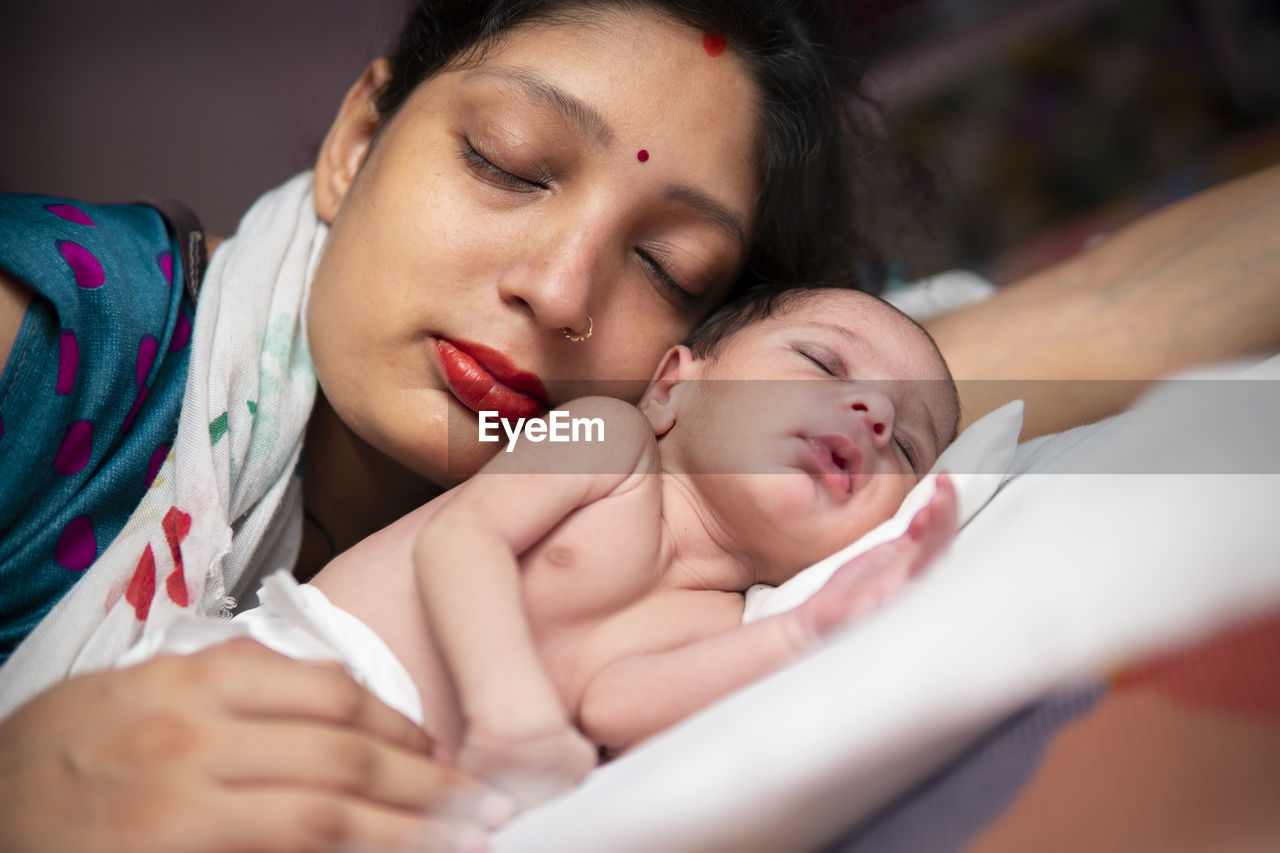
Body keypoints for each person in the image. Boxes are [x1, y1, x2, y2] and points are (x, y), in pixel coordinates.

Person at [0, 0, 1277, 849]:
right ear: (354, 140)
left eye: (666, 265)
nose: (557, 294)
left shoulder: (720, 462)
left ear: (679, 356)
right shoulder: (51, 340)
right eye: (504, 162)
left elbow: (1088, 321)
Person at [137, 285, 960, 812]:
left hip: (372, 802)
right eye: (822, 362)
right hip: (293, 673)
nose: (873, 418)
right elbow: (466, 538)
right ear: (676, 384)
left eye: (910, 446)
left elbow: (613, 704)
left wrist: (807, 630)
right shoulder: (612, 441)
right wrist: (512, 709)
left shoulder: (726, 619)